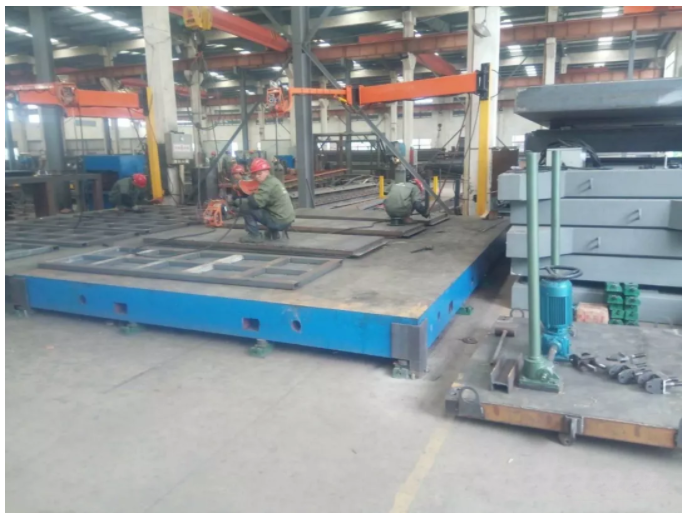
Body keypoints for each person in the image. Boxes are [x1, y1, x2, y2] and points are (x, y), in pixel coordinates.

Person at [233, 157, 295, 243]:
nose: (257, 176)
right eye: (255, 174)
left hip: (279, 221)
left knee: (244, 205)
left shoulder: (267, 184)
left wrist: (249, 194)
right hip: (287, 219)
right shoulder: (273, 180)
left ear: (267, 171)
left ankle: (254, 235)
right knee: (266, 205)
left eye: (259, 173)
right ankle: (274, 233)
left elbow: (255, 203)